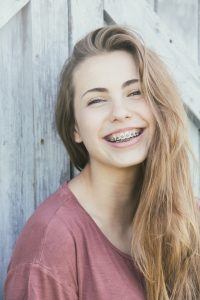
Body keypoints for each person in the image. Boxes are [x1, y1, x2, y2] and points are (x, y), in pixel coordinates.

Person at [4, 24, 200, 300]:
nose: (120, 113)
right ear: (74, 128)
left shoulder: (188, 218)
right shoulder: (52, 243)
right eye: (97, 100)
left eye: (135, 92)